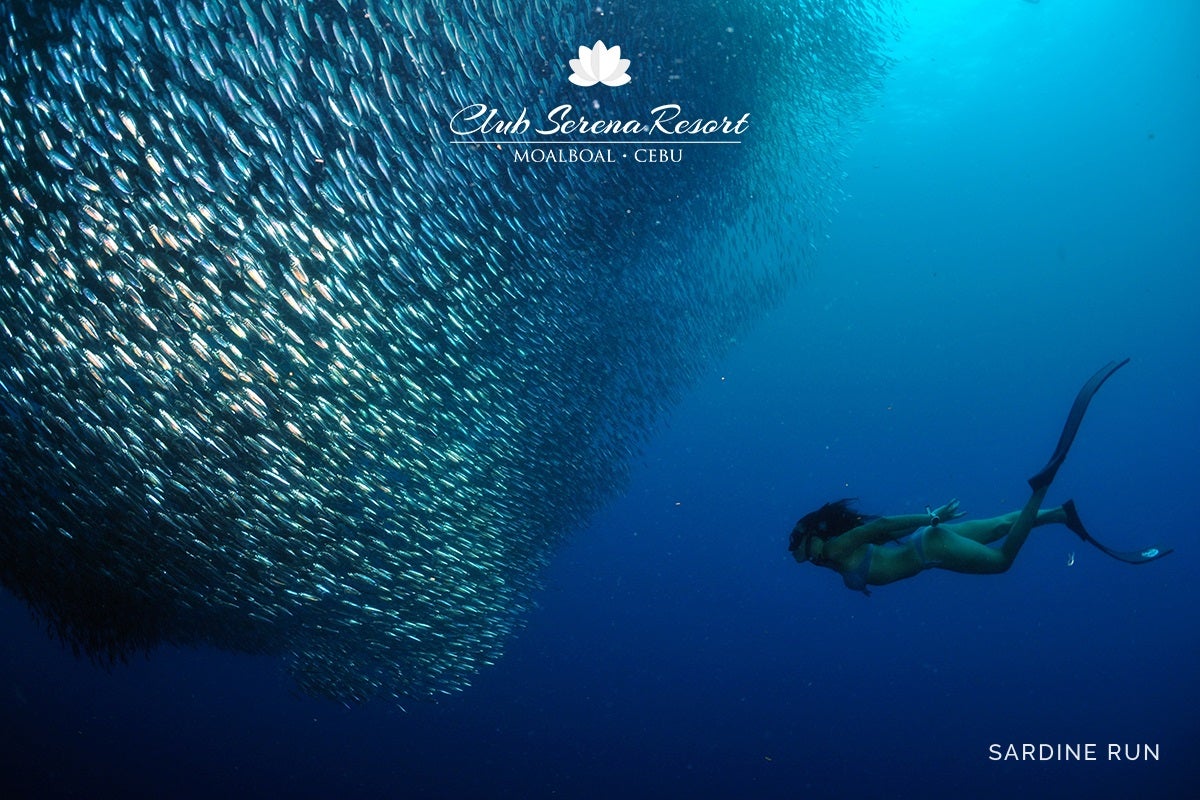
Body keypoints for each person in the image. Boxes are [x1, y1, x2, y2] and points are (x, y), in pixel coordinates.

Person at [788, 359, 1171, 595]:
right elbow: (885, 534)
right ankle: (1060, 515)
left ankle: (1041, 490)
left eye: (797, 542)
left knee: (1003, 560)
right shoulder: (832, 559)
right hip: (927, 542)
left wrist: (929, 519)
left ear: (813, 536)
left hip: (930, 548)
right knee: (1005, 522)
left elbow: (883, 526)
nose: (794, 552)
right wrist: (929, 521)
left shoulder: (836, 549)